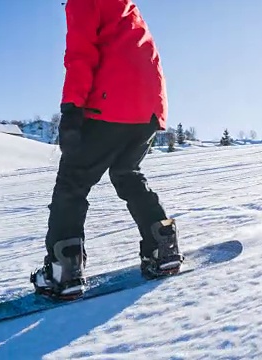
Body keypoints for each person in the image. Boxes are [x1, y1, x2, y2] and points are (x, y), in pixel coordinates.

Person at [30, 0, 184, 300]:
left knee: (72, 183)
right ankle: (162, 248)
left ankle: (65, 270)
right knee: (127, 172)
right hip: (149, 107)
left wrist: (72, 109)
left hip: (112, 102)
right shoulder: (124, 5)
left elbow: (80, 55)